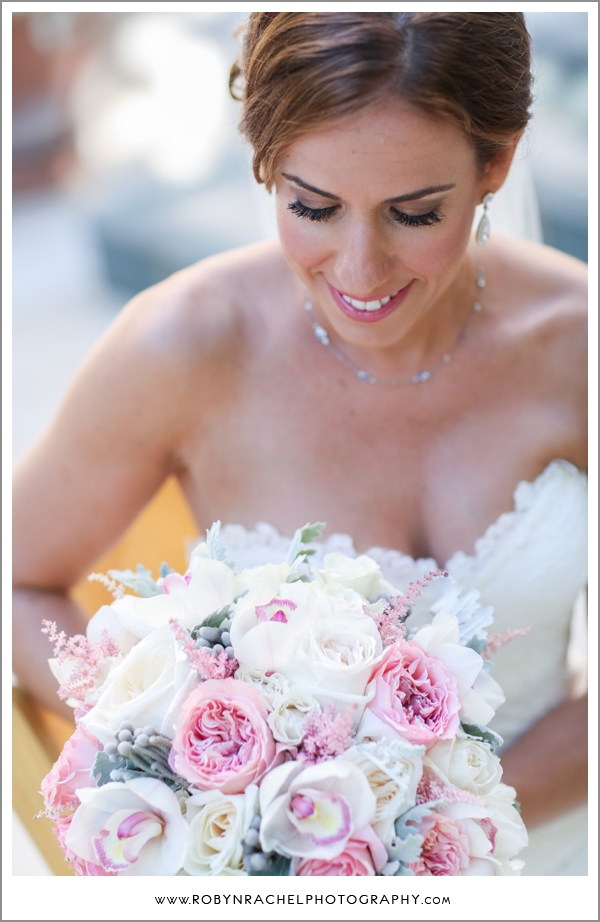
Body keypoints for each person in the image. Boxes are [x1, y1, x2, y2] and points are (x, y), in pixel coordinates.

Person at [13, 12, 587, 875]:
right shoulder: (184, 344)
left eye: (415, 213)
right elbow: (15, 576)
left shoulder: (577, 344)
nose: (359, 271)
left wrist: (425, 821)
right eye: (311, 206)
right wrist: (164, 750)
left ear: (496, 164)